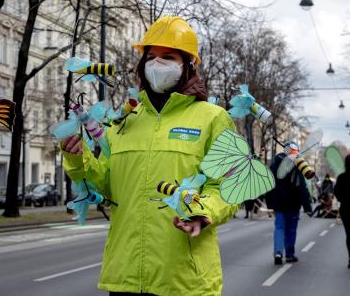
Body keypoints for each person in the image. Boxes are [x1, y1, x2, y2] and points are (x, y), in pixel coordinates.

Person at [61, 16, 238, 295]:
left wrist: (203, 212)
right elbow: (102, 185)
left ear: (188, 65)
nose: (157, 64)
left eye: (168, 56)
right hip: (125, 277)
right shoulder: (123, 120)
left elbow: (229, 188)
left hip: (184, 281)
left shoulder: (214, 119)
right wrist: (77, 158)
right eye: (151, 56)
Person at [266, 152, 313, 265]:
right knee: (291, 230)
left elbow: (268, 184)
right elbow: (301, 187)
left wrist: (270, 204)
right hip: (293, 205)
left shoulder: (273, 166)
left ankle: (278, 253)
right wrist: (307, 206)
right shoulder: (296, 167)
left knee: (279, 228)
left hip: (279, 205)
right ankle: (289, 255)